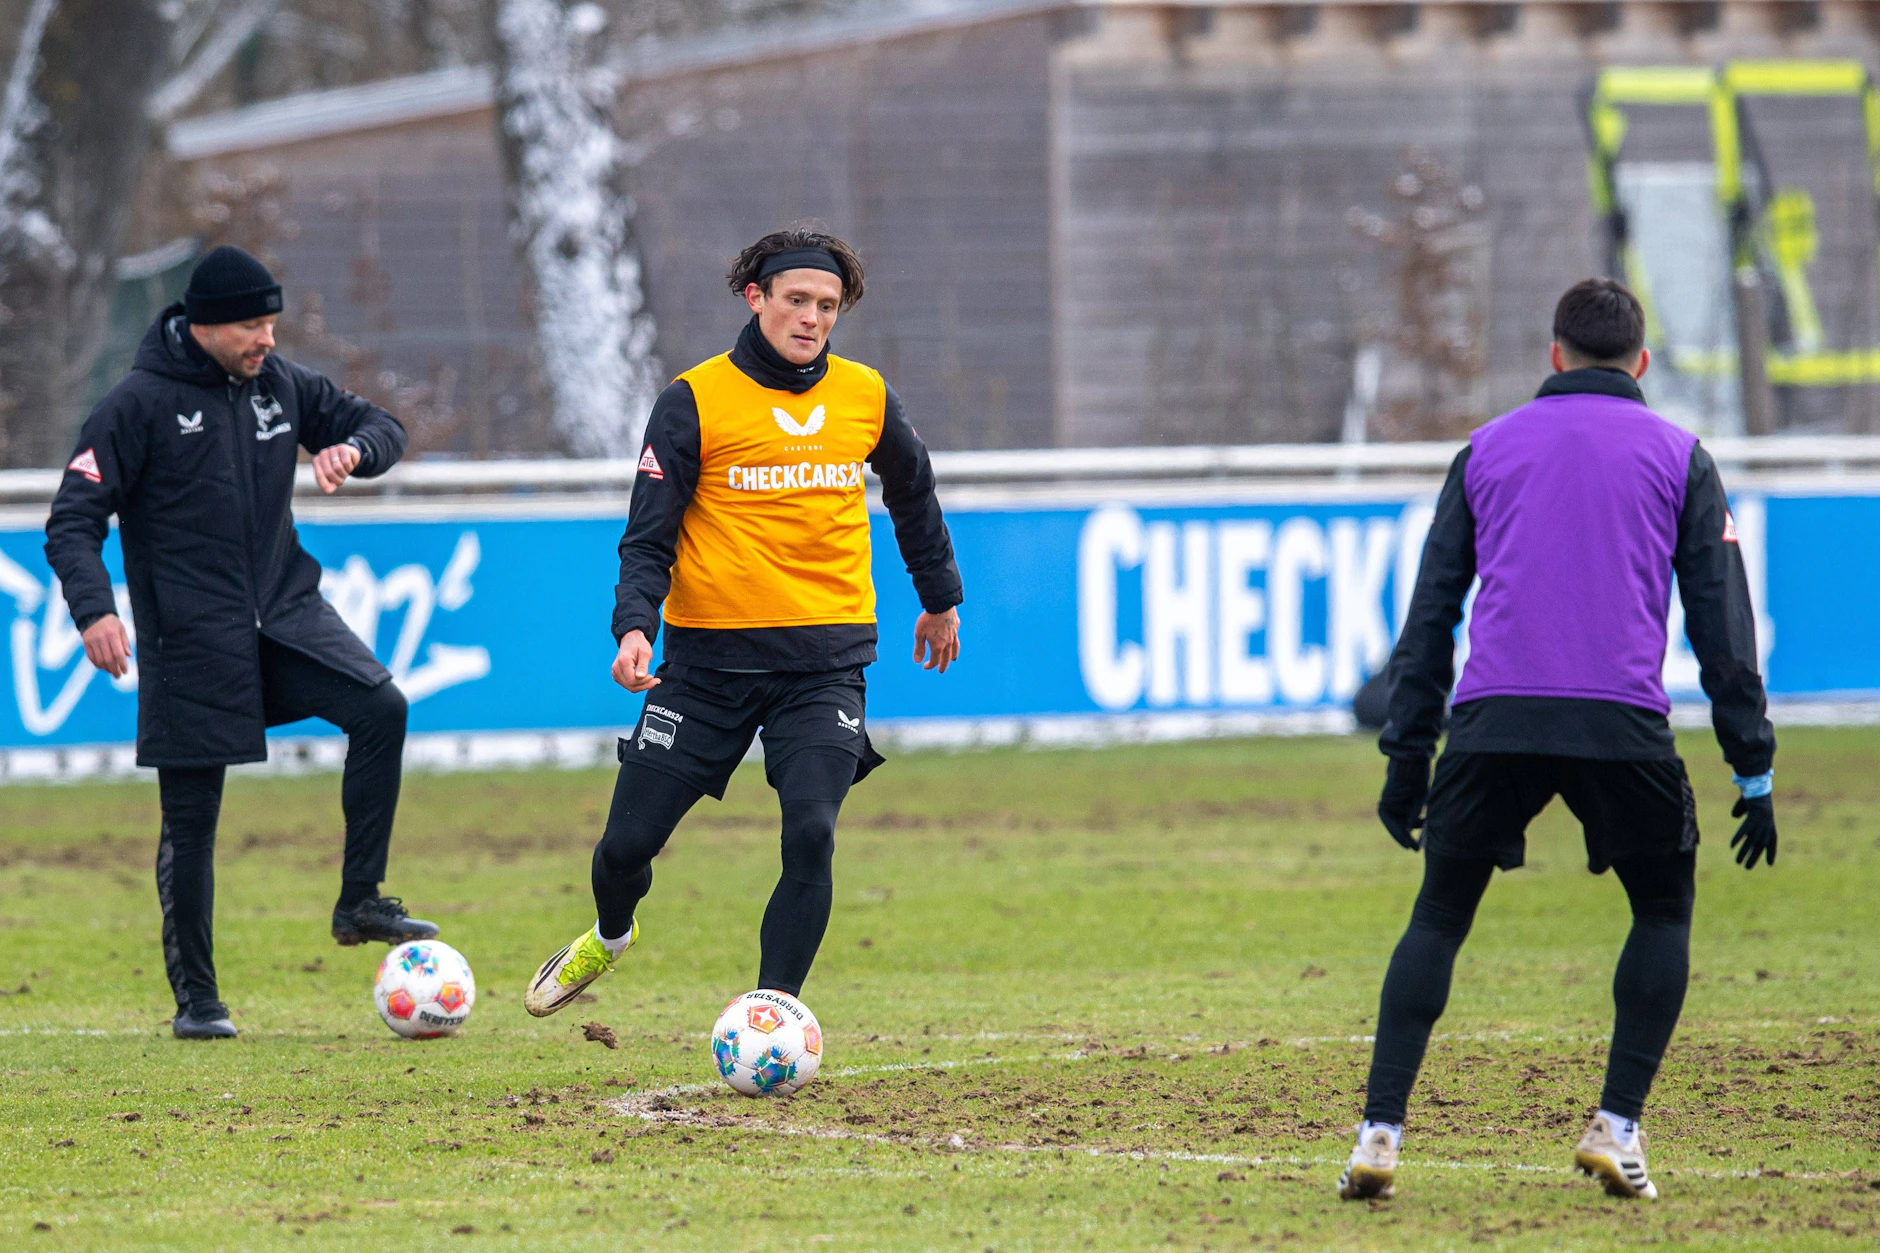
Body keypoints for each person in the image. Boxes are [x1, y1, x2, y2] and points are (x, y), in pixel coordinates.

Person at [1337, 278, 1776, 1202]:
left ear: (1554, 354)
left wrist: (1407, 756)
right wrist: (1754, 764)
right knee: (1661, 911)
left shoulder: (1484, 451)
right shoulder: (1681, 455)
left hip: (1496, 718)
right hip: (1619, 721)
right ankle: (1617, 1126)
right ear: (1641, 362)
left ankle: (1378, 1135)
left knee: (1438, 917)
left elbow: (1429, 619)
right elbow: (1723, 630)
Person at [524, 226, 963, 1018]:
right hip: (705, 669)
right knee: (625, 847)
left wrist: (939, 597)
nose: (812, 319)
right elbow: (648, 535)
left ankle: (774, 1012)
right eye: (797, 300)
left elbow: (914, 489)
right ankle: (610, 935)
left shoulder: (865, 394)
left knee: (812, 832)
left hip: (824, 665)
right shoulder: (694, 400)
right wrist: (633, 628)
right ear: (756, 297)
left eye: (827, 306)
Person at [45, 246, 439, 1041]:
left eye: (271, 323)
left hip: (288, 620)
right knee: (191, 824)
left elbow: (382, 424)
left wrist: (355, 451)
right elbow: (72, 522)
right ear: (203, 325)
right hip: (191, 642)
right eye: (251, 326)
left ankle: (360, 898)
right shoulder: (134, 404)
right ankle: (198, 1001)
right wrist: (96, 612)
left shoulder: (281, 386)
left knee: (381, 707)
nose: (266, 338)